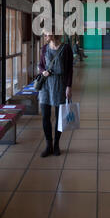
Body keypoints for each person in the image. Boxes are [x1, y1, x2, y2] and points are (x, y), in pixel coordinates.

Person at [38, 28, 73, 157]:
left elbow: (69, 69)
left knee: (59, 117)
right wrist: (43, 72)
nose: (45, 36)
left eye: (47, 33)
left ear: (54, 33)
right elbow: (41, 65)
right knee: (45, 116)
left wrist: (68, 86)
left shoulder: (66, 48)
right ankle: (49, 144)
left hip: (60, 84)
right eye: (44, 34)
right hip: (46, 85)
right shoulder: (44, 48)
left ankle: (57, 144)